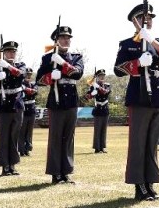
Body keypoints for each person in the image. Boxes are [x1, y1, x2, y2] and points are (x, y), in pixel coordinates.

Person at [114, 1, 159, 201]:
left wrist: (152, 41)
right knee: (138, 143)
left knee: (152, 144)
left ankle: (150, 183)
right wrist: (138, 63)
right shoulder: (128, 44)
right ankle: (139, 185)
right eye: (142, 18)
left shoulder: (158, 41)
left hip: (157, 97)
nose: (146, 21)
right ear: (135, 22)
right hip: (139, 97)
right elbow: (118, 69)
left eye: (148, 18)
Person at [36, 25, 84, 184]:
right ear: (56, 41)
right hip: (56, 101)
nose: (66, 40)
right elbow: (40, 80)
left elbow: (77, 74)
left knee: (68, 137)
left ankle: (66, 171)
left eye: (68, 38)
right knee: (56, 137)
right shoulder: (47, 58)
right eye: (63, 38)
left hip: (71, 100)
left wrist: (62, 63)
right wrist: (51, 75)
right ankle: (56, 173)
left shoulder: (76, 57)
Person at [0, 41, 26, 175]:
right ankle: (5, 166)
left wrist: (8, 67)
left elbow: (21, 75)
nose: (11, 53)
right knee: (4, 136)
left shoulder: (21, 65)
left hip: (17, 104)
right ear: (4, 53)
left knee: (14, 136)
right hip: (4, 105)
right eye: (8, 51)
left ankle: (13, 164)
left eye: (13, 51)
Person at [85, 69, 112, 154]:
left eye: (103, 75)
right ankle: (97, 148)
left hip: (105, 110)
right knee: (97, 130)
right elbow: (87, 97)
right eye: (100, 75)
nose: (102, 77)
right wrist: (91, 94)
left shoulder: (107, 85)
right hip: (98, 110)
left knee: (103, 129)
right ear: (97, 77)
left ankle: (102, 147)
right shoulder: (93, 86)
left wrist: (98, 87)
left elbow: (106, 92)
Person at [18, 67, 38, 157]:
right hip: (24, 109)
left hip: (32, 109)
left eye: (29, 74)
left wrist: (27, 90)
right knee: (22, 131)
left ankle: (28, 149)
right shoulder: (19, 84)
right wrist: (27, 90)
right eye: (26, 74)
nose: (28, 75)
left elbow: (35, 92)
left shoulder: (33, 84)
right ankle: (21, 150)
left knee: (29, 131)